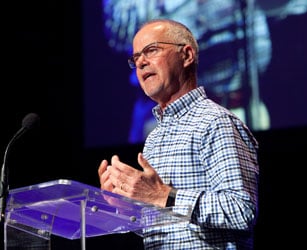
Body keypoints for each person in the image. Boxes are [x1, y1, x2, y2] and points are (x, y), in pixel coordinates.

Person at [98, 19, 259, 250]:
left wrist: (165, 196)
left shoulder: (216, 122)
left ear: (186, 55)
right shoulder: (155, 138)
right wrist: (126, 207)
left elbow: (241, 210)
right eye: (135, 58)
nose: (141, 62)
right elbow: (160, 227)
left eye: (151, 50)